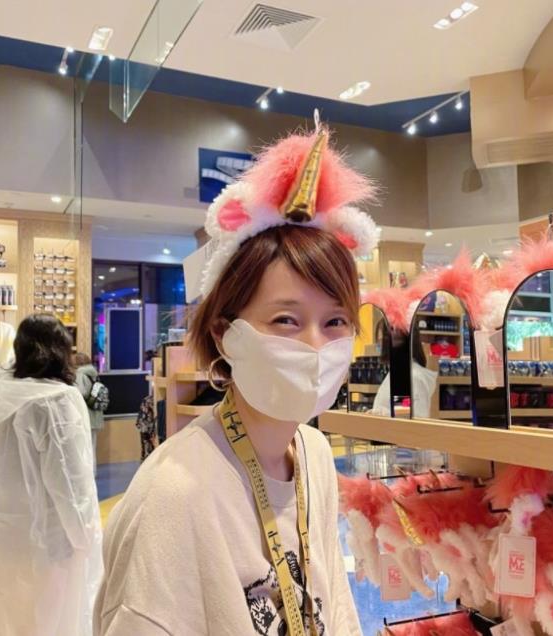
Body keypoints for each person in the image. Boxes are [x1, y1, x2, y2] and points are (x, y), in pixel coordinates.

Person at [96, 121, 378, 635]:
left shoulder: (314, 454)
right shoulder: (173, 494)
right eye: (286, 320)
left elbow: (333, 601)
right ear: (226, 336)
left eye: (336, 322)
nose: (316, 346)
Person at [0, 314, 102, 636]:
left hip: (5, 530)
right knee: (56, 617)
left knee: (15, 612)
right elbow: (68, 480)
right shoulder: (56, 400)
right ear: (62, 349)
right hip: (51, 532)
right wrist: (86, 536)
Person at [74, 352, 104, 476]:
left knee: (85, 446)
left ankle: (88, 474)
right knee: (92, 445)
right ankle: (93, 472)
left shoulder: (80, 374)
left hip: (86, 414)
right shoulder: (94, 374)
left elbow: (81, 392)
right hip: (95, 414)